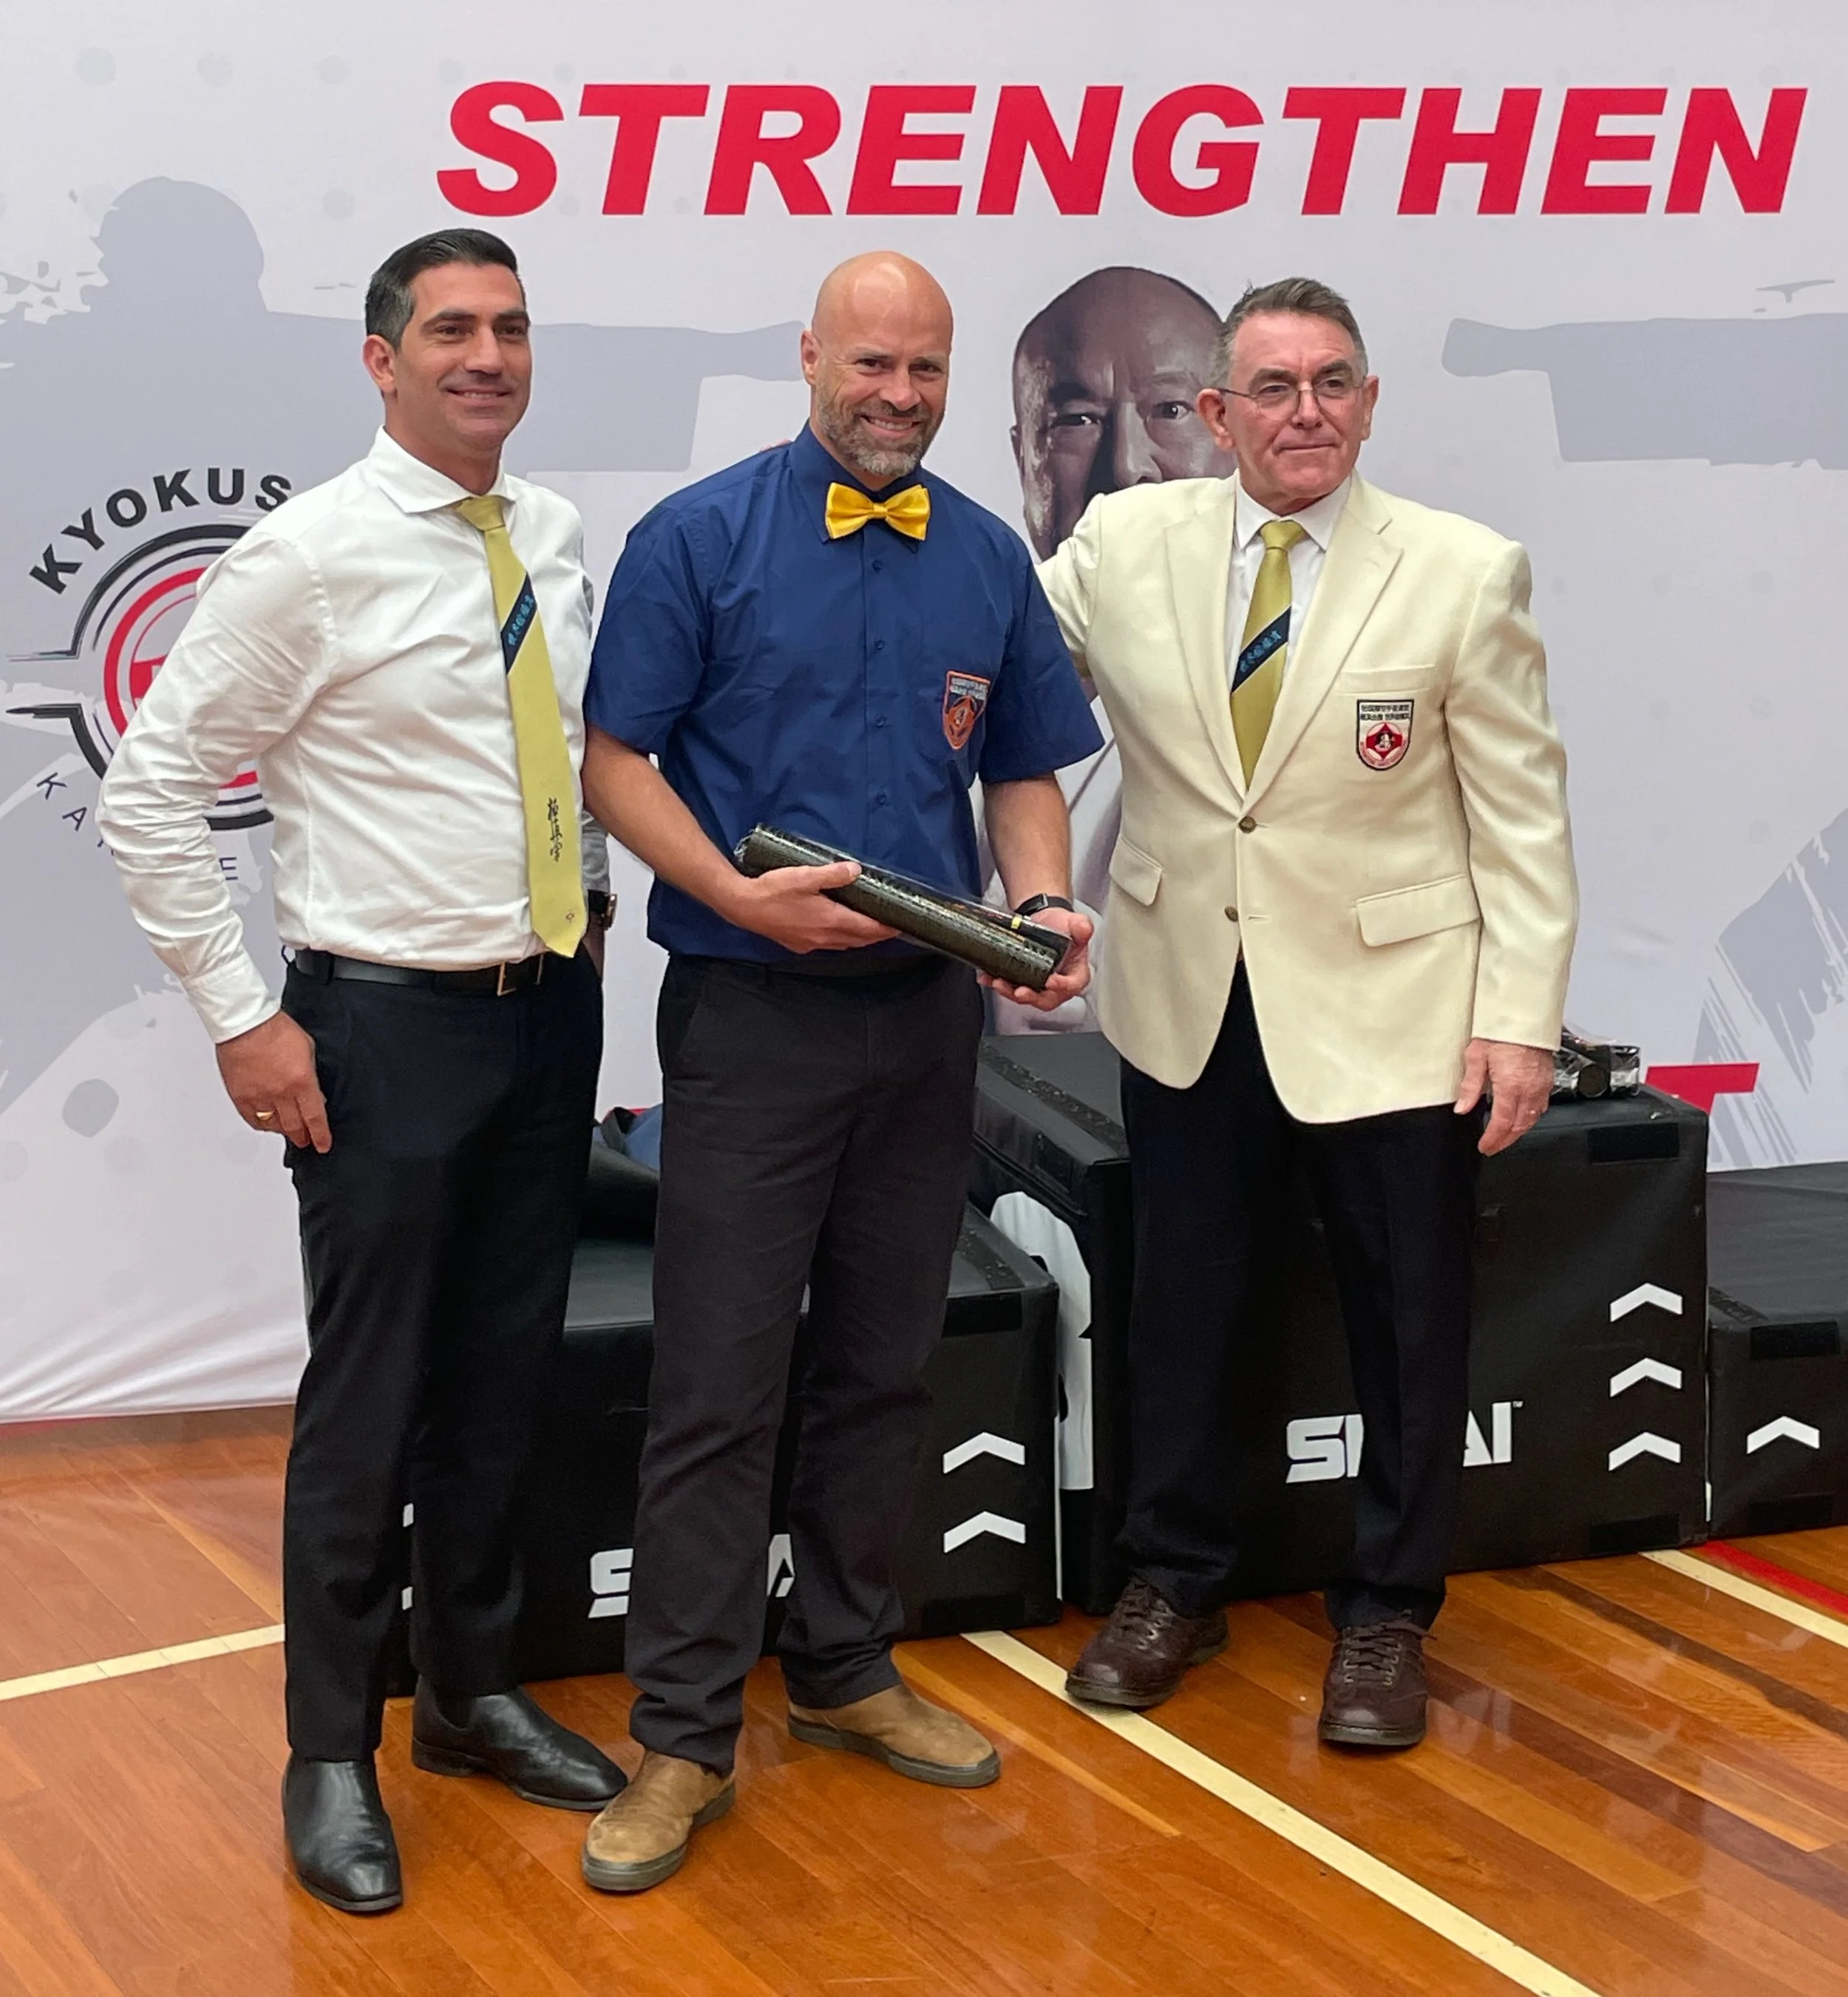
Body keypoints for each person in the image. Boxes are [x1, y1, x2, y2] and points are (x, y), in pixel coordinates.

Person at [98, 228, 624, 1916]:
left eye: (511, 327)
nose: (488, 354)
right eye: (451, 328)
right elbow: (148, 792)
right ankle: (330, 1744)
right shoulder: (301, 557)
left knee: (500, 1376)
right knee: (370, 1394)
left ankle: (466, 1694)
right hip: (383, 1027)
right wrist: (247, 1016)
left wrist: (588, 924)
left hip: (544, 1007)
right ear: (383, 359)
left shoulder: (547, 532)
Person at [576, 250, 1103, 1891]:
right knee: (720, 1382)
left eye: (923, 371)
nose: (895, 397)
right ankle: (678, 1739)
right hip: (748, 1018)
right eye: (868, 364)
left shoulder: (984, 558)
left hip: (924, 1017)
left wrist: (1037, 897)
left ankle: (850, 1668)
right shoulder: (698, 538)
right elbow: (612, 759)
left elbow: (1020, 764)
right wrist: (728, 892)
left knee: (885, 1362)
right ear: (809, 356)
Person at [1039, 276, 1576, 1748]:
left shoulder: (1464, 571)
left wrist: (1516, 1018)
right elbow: (1011, 686)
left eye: (1331, 381)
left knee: (1407, 1318)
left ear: (1369, 400)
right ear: (1211, 415)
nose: (1304, 413)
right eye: (1269, 388)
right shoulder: (1121, 545)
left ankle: (1389, 1607)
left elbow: (1519, 820)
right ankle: (1175, 1579)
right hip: (1185, 997)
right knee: (1186, 1303)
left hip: (1396, 1004)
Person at [1002, 267, 1237, 1000]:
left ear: (1229, 431)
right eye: (1076, 420)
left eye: (1169, 410)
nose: (1127, 466)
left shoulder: (1314, 637)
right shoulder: (968, 647)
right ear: (1024, 458)